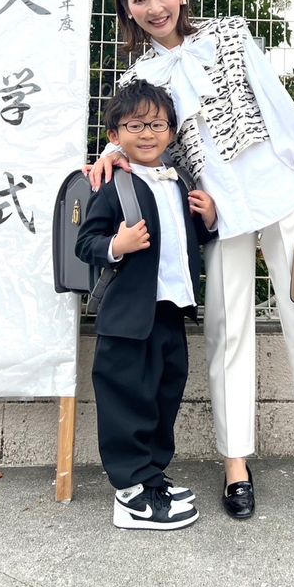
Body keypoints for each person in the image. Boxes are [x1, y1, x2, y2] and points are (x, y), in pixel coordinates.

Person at [88, 0, 294, 520]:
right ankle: (236, 463)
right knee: (228, 329)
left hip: (276, 189)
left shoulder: (230, 35)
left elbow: (275, 102)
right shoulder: (138, 78)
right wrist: (111, 154)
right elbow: (137, 137)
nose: (155, 7)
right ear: (128, 10)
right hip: (215, 209)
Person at [76, 79, 217, 530]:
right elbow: (86, 242)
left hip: (170, 311)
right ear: (114, 136)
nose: (147, 134)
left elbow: (189, 239)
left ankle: (152, 477)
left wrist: (209, 219)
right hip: (127, 317)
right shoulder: (114, 185)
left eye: (157, 125)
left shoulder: (179, 183)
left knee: (163, 395)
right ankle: (131, 493)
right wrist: (116, 245)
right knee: (126, 400)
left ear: (172, 133)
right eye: (134, 125)